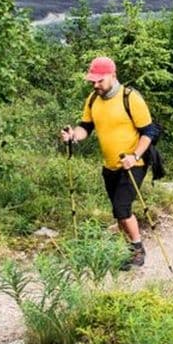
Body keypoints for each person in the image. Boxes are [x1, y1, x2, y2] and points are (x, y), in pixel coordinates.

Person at [60, 56, 156, 270]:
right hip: (109, 164)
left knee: (122, 208)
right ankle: (126, 250)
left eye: (100, 81)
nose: (96, 85)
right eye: (93, 81)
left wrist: (135, 156)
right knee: (117, 211)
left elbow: (149, 132)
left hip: (133, 164)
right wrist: (73, 136)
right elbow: (86, 127)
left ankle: (138, 248)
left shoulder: (130, 98)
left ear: (113, 76)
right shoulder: (93, 99)